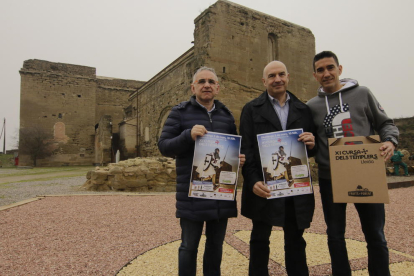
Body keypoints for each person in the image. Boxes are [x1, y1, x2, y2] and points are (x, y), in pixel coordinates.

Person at [307, 51, 399, 276]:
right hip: (331, 177)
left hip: (366, 173)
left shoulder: (363, 93)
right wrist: (309, 145)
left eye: (330, 68)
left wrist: (390, 141)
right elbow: (313, 143)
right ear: (314, 75)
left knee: (375, 233)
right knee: (335, 235)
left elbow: (385, 123)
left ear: (340, 69)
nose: (326, 73)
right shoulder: (311, 106)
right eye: (320, 70)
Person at [158, 66, 245, 276]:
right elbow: (164, 146)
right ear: (193, 87)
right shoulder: (179, 112)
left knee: (215, 247)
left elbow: (233, 148)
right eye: (202, 81)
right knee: (189, 247)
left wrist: (238, 158)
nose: (206, 85)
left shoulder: (226, 115)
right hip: (192, 194)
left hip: (220, 194)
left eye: (211, 82)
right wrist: (187, 135)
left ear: (218, 88)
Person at [240, 60, 317, 276]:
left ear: (288, 77)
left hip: (295, 187)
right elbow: (247, 150)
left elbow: (310, 148)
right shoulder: (251, 109)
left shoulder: (304, 109)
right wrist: (253, 180)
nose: (277, 79)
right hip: (264, 185)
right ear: (264, 81)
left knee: (295, 240)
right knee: (259, 239)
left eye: (281, 74)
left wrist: (313, 143)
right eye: (272, 76)